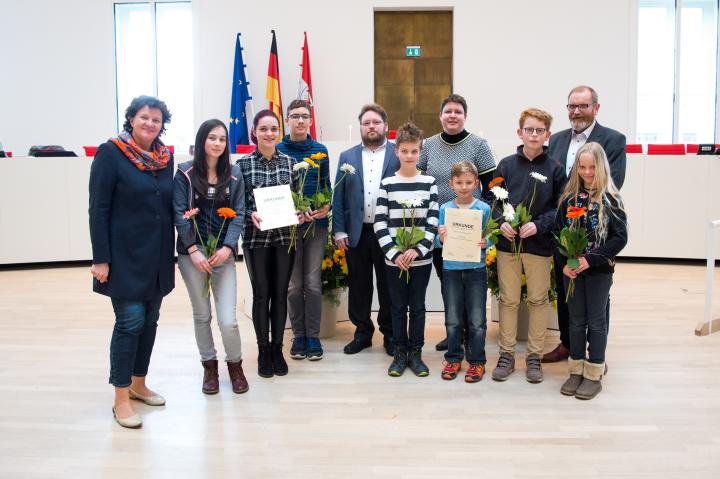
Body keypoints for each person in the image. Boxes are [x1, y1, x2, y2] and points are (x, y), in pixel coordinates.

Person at [89, 95, 175, 428]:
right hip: (123, 255)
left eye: (156, 119)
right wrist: (101, 258)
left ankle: (139, 383)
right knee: (129, 323)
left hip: (156, 256)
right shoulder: (110, 153)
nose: (150, 124)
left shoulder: (164, 157)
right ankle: (121, 398)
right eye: (144, 117)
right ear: (131, 119)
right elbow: (98, 209)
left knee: (150, 320)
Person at [543, 85, 627, 364]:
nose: (576, 111)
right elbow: (552, 184)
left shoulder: (613, 140)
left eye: (583, 106)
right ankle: (569, 344)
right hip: (563, 231)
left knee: (597, 299)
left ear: (596, 108)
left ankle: (595, 353)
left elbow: (612, 182)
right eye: (571, 106)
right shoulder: (555, 140)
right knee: (566, 290)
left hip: (595, 234)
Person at [491, 108, 566, 384]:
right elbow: (495, 201)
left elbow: (560, 207)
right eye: (529, 129)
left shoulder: (556, 169)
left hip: (539, 243)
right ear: (519, 132)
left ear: (547, 135)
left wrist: (540, 224)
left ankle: (534, 356)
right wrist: (501, 223)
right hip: (508, 244)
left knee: (538, 299)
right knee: (509, 300)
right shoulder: (506, 165)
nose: (534, 135)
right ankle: (507, 354)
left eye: (539, 130)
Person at [417, 93, 496, 352]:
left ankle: (467, 334)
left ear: (465, 116)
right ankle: (456, 332)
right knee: (447, 279)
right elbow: (418, 181)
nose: (452, 116)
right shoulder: (428, 145)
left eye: (458, 112)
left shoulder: (479, 145)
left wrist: (491, 227)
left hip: (472, 228)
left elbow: (494, 185)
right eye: (448, 111)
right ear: (440, 116)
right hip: (440, 227)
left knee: (469, 281)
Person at [174, 119, 248, 395]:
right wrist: (193, 249)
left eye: (222, 139)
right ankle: (209, 367)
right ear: (202, 140)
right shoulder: (184, 174)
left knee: (227, 318)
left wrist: (228, 247)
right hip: (193, 256)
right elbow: (179, 212)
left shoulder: (236, 175)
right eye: (212, 138)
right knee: (202, 314)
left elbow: (239, 214)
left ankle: (235, 365)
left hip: (223, 254)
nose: (217, 143)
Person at [236, 110, 305, 378]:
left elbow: (298, 200)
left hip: (284, 238)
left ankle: (277, 348)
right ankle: (263, 349)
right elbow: (236, 204)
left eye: (273, 129)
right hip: (256, 239)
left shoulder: (289, 163)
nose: (269, 133)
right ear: (254, 132)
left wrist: (299, 213)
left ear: (280, 132)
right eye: (263, 129)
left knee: (280, 293)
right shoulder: (242, 165)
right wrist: (247, 214)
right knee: (261, 294)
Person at [556, 142, 627, 399]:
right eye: (582, 167)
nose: (587, 172)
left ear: (602, 167)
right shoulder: (569, 199)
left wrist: (592, 259)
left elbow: (620, 239)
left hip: (598, 271)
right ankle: (576, 370)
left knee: (596, 322)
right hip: (574, 271)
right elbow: (558, 233)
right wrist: (566, 262)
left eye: (592, 167)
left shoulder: (612, 200)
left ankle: (594, 372)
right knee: (575, 321)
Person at [332, 103, 399, 355]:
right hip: (356, 232)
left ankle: (390, 334)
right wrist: (339, 230)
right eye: (366, 123)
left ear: (385, 126)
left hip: (388, 233)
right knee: (359, 285)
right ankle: (362, 333)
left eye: (376, 122)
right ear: (360, 127)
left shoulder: (397, 154)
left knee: (387, 285)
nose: (371, 126)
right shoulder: (346, 156)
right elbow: (338, 195)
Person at [373, 122, 439, 377]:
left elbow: (432, 221)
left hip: (420, 261)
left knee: (418, 307)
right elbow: (380, 221)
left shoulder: (429, 182)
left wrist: (418, 250)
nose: (409, 156)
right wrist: (395, 253)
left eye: (414, 151)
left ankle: (416, 353)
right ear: (396, 152)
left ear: (420, 152)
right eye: (405, 151)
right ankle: (400, 353)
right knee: (397, 307)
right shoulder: (388, 183)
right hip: (395, 261)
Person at [277, 99, 331, 361]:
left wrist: (326, 207)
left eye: (304, 116)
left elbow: (327, 187)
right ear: (287, 120)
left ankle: (313, 336)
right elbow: (273, 191)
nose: (300, 121)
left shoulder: (320, 150)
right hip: (288, 227)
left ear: (310, 120)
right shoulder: (277, 150)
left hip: (316, 226)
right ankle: (298, 335)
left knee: (312, 282)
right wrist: (290, 213)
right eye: (295, 116)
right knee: (294, 285)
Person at [436, 161, 491, 383]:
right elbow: (439, 243)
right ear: (451, 184)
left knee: (477, 320)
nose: (464, 187)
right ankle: (453, 358)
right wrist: (440, 238)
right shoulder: (445, 209)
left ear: (476, 183)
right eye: (459, 182)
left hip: (476, 270)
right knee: (452, 318)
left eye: (469, 182)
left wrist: (487, 242)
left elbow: (492, 238)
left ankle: (477, 362)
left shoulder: (484, 209)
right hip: (451, 270)